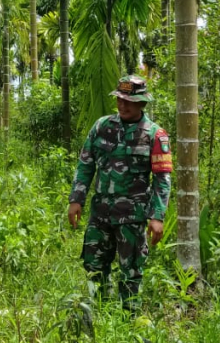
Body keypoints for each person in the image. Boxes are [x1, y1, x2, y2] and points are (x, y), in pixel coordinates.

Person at [67, 75, 172, 311]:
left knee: (131, 273)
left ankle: (128, 322)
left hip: (132, 218)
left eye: (129, 101)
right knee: (94, 267)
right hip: (100, 215)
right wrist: (76, 199)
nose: (122, 105)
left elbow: (162, 179)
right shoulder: (101, 127)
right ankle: (100, 314)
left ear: (142, 103)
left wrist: (157, 215)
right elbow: (85, 164)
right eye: (119, 100)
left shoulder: (155, 135)